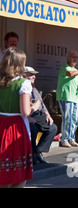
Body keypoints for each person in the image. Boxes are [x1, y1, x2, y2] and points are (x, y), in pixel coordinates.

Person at [0, 48, 39, 187]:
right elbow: (25, 112)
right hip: (16, 129)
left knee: (3, 173)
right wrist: (35, 105)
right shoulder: (23, 83)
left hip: (1, 125)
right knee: (19, 176)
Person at [24, 66, 57, 165]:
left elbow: (41, 104)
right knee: (32, 129)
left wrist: (48, 115)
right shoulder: (23, 88)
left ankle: (39, 151)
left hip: (38, 114)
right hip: (28, 114)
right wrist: (27, 117)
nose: (34, 77)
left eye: (34, 75)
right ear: (23, 76)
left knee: (53, 128)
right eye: (31, 75)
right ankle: (32, 154)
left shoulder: (34, 88)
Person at [56, 50, 78, 147]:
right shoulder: (65, 67)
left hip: (74, 98)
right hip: (65, 96)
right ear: (68, 58)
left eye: (77, 57)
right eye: (73, 56)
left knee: (75, 119)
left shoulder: (77, 71)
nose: (75, 58)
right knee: (67, 118)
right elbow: (70, 74)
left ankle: (71, 138)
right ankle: (64, 139)